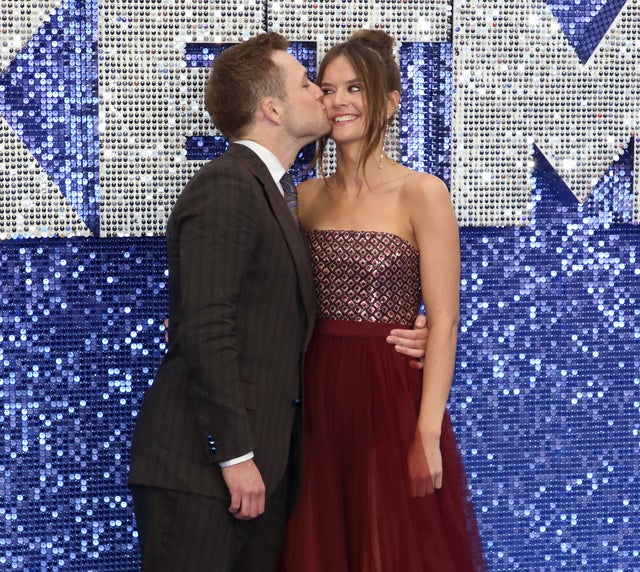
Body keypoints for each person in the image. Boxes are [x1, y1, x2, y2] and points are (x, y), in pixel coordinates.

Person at [128, 32, 427, 572]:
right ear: (272, 108)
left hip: (260, 471)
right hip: (204, 470)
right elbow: (205, 328)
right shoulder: (226, 186)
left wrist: (398, 321)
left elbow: (283, 310)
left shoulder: (276, 193)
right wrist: (236, 455)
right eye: (308, 82)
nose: (323, 95)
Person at [279, 30, 487, 571]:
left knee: (390, 547)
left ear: (390, 103)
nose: (339, 100)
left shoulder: (423, 193)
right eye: (328, 88)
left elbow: (442, 323)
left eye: (356, 88)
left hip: (390, 396)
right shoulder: (303, 197)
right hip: (318, 394)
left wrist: (427, 432)